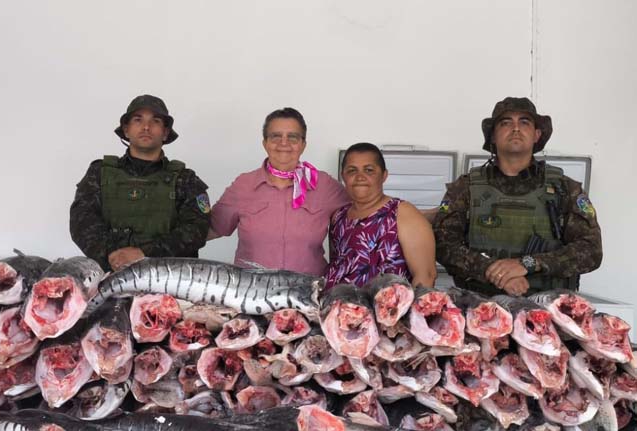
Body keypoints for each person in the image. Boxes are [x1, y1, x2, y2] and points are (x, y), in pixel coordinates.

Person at [433, 97, 602, 296]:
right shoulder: (466, 187)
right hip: (479, 307)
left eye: (524, 122)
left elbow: (591, 250)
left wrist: (528, 264)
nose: (515, 128)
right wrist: (494, 271)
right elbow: (443, 244)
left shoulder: (565, 189)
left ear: (537, 134)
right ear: (493, 136)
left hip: (549, 308)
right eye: (505, 123)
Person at [69, 95, 210, 272]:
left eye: (155, 121)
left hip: (168, 281)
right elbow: (81, 222)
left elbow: (196, 230)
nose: (146, 127)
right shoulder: (99, 173)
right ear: (126, 130)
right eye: (138, 120)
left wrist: (145, 254)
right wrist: (112, 256)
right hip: (109, 277)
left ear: (165, 132)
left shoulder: (186, 179)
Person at [209, 107, 350, 276]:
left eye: (292, 137)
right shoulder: (244, 185)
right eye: (276, 136)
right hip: (253, 293)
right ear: (265, 143)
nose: (284, 143)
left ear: (303, 145)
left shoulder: (324, 185)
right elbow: (213, 228)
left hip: (308, 292)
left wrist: (390, 212)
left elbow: (363, 216)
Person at [324, 143, 437, 289]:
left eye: (369, 170)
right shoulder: (338, 216)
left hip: (387, 309)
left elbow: (426, 275)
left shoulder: (402, 213)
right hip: (337, 307)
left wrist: (411, 311)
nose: (360, 177)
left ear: (384, 175)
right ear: (343, 176)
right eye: (352, 171)